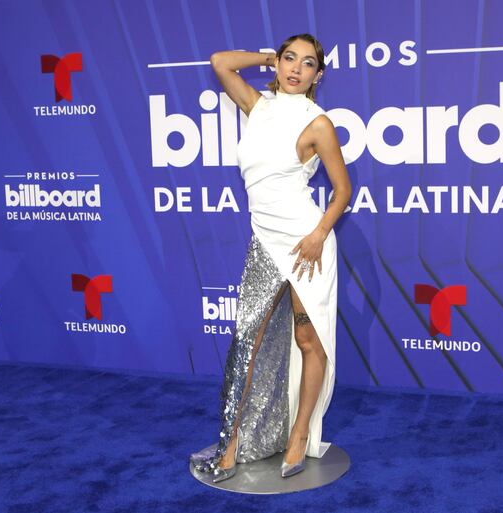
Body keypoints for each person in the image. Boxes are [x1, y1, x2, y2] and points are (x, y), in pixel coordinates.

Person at [190, 33, 351, 483]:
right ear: (277, 63)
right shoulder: (256, 106)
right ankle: (230, 446)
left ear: (319, 74)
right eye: (288, 59)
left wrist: (320, 233)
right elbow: (221, 60)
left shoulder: (318, 123)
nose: (296, 68)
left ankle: (299, 435)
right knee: (247, 343)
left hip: (306, 243)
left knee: (308, 340)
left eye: (307, 63)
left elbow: (343, 191)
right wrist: (264, 57)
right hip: (265, 241)